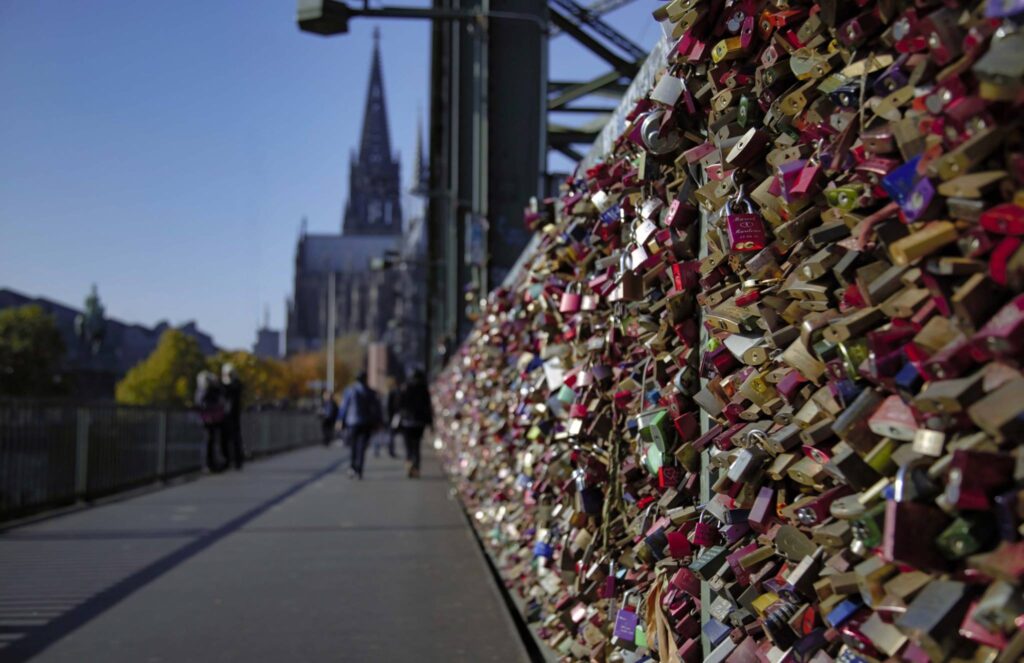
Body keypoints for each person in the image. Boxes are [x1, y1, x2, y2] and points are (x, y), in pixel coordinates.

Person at [338, 371, 383, 479]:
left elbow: (344, 406)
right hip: (366, 422)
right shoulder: (371, 392)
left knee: (353, 446)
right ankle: (359, 468)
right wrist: (379, 421)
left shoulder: (349, 391)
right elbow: (376, 409)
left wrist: (340, 419)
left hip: (352, 422)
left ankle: (353, 466)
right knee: (362, 447)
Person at [395, 368, 433, 478]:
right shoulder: (423, 389)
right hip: (419, 422)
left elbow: (399, 405)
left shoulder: (405, 388)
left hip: (407, 421)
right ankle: (416, 467)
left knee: (408, 446)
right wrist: (430, 423)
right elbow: (428, 407)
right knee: (416, 446)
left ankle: (409, 463)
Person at [194, 370, 226, 472]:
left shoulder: (209, 390)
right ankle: (208, 464)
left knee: (212, 441)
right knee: (209, 441)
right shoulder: (204, 391)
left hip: (212, 419)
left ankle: (211, 463)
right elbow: (203, 404)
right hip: (208, 419)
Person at [221, 363, 244, 470]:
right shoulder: (223, 384)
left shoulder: (236, 384)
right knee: (225, 439)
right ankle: (227, 460)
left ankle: (237, 461)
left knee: (235, 439)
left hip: (233, 415)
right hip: (224, 416)